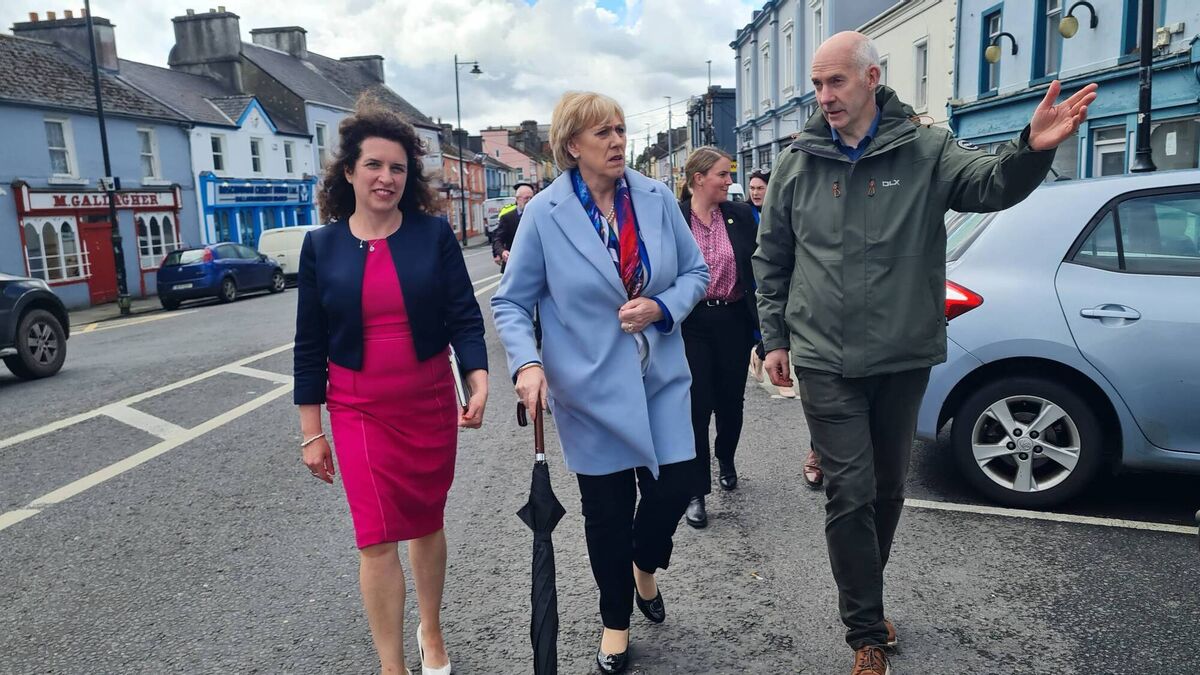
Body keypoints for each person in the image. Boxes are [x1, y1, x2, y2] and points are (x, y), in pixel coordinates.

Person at [753, 32, 1096, 675]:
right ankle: (865, 632)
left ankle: (865, 594)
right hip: (824, 354)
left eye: (836, 82)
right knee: (849, 491)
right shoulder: (798, 163)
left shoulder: (927, 149)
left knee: (887, 489)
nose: (824, 96)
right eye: (817, 85)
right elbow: (772, 257)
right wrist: (773, 337)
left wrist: (1031, 149)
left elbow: (990, 184)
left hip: (902, 351)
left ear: (872, 78)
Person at [492, 91, 709, 674]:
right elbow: (512, 302)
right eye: (602, 134)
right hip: (587, 389)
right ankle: (616, 620)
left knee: (675, 487)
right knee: (606, 512)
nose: (617, 142)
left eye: (619, 130)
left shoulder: (657, 197)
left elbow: (696, 271)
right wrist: (527, 363)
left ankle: (645, 563)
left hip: (660, 376)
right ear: (571, 147)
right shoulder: (545, 212)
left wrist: (661, 307)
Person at [294, 100, 490, 675]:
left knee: (426, 523)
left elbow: (463, 317)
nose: (387, 178)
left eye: (398, 168)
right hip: (357, 408)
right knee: (375, 538)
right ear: (349, 172)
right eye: (375, 165)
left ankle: (431, 630)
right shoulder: (321, 247)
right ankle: (392, 666)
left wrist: (476, 380)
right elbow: (309, 344)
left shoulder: (432, 236)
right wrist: (311, 432)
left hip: (427, 400)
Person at [676, 146, 759, 529]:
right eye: (723, 175)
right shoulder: (674, 218)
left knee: (731, 402)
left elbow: (758, 272)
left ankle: (726, 457)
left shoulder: (741, 216)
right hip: (691, 323)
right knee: (696, 405)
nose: (730, 181)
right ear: (698, 179)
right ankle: (696, 490)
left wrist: (767, 332)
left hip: (733, 320)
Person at [744, 170, 799, 401]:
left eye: (760, 188)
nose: (755, 193)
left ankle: (759, 352)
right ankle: (766, 357)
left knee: (780, 320)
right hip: (754, 281)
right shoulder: (745, 214)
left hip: (778, 279)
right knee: (767, 325)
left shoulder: (781, 213)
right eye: (752, 188)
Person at [492, 182, 536, 268]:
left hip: (535, 264)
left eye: (531, 198)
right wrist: (502, 252)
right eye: (526, 198)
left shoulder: (539, 215)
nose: (529, 201)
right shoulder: (507, 218)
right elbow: (497, 239)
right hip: (514, 265)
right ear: (517, 199)